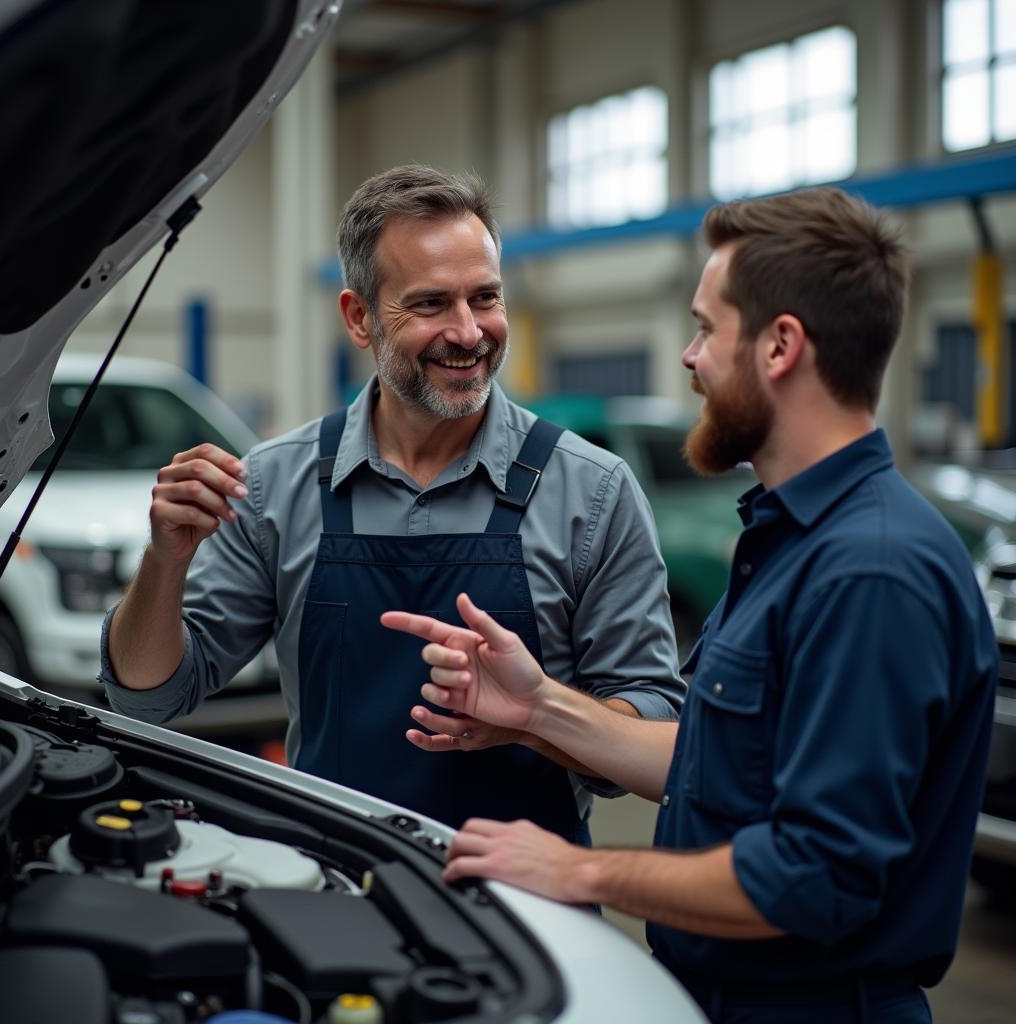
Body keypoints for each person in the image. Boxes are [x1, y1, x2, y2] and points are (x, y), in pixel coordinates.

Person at [382, 187, 998, 1022]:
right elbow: (714, 768)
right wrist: (539, 710)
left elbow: (816, 875)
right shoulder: (791, 541)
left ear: (781, 347)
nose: (689, 357)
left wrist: (579, 872)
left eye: (708, 329)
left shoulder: (870, 571)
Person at [99, 164, 684, 842]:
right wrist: (163, 562)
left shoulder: (593, 491)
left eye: (485, 298)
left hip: (530, 908)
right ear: (360, 317)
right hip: (337, 892)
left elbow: (652, 740)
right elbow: (148, 695)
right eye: (432, 304)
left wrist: (535, 716)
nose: (468, 332)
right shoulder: (274, 485)